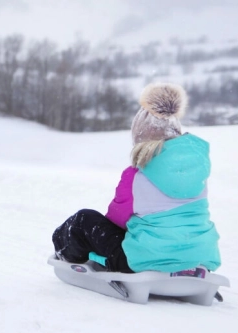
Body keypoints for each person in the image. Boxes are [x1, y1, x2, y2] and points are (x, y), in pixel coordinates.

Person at [52, 82, 221, 274]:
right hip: (200, 256)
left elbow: (117, 220)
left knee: (83, 220)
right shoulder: (199, 173)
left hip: (147, 260)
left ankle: (66, 256)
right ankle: (187, 264)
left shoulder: (136, 176)